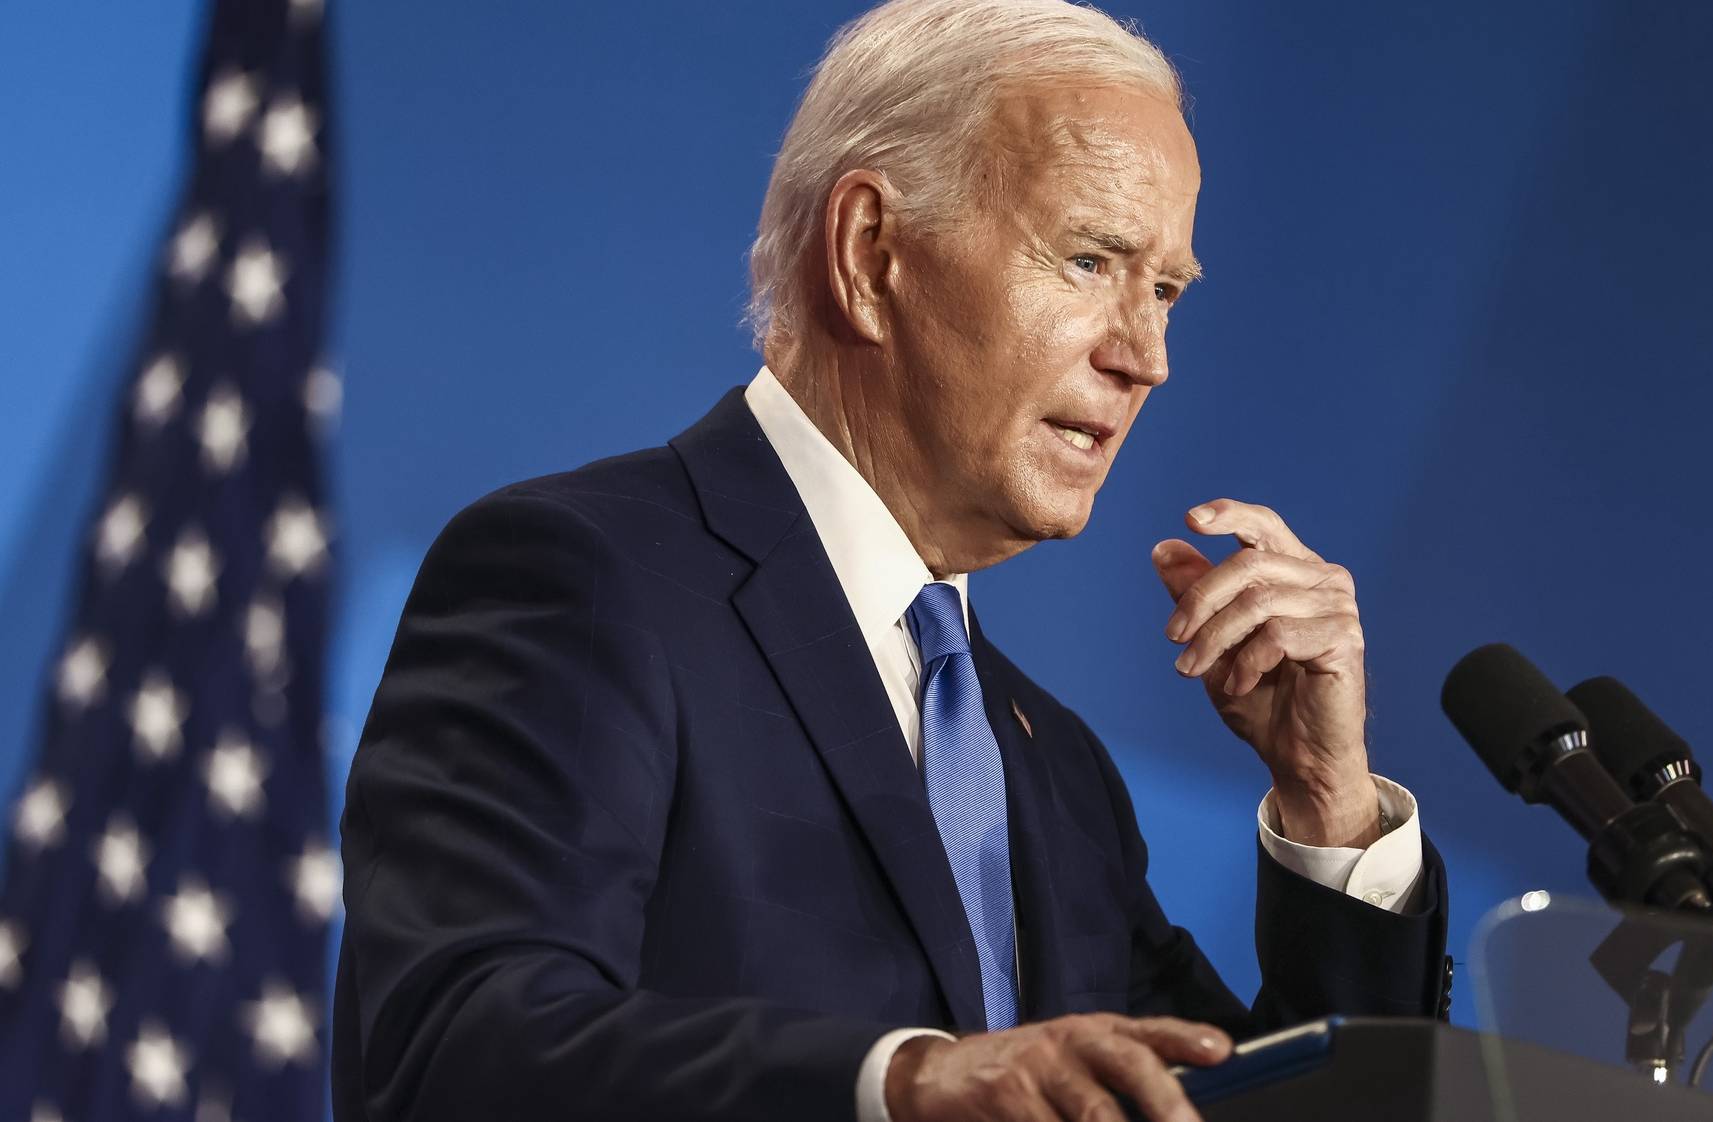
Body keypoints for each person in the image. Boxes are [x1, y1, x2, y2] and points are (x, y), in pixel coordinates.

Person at [331, 2, 1449, 1119]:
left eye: (1161, 290)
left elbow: (1260, 1107)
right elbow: (449, 1047)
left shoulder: (1053, 772)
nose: (1143, 355)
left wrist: (1326, 805)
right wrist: (901, 1086)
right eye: (1087, 258)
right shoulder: (585, 578)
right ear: (871, 254)